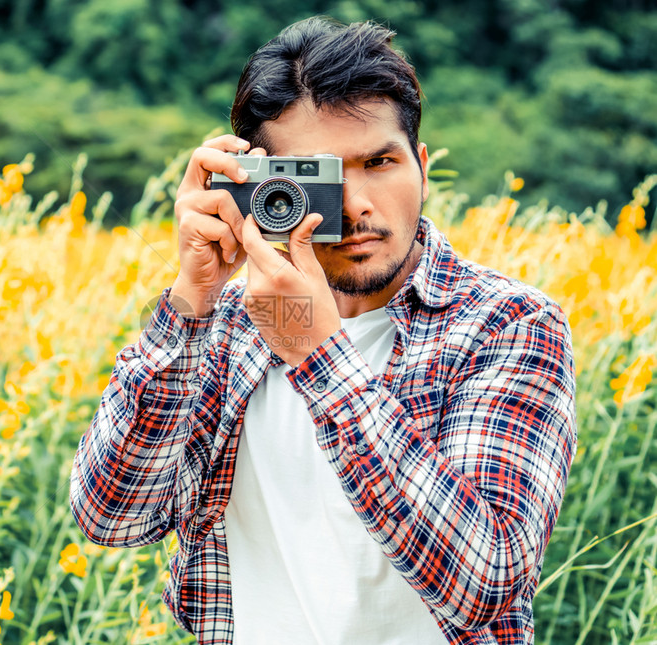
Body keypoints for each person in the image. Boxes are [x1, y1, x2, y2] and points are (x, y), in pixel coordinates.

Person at [70, 15, 577, 645]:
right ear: (260, 188)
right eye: (323, 177)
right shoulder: (225, 326)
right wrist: (193, 296)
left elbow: (487, 581)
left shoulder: (507, 324)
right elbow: (109, 518)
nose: (359, 203)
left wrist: (317, 352)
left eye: (380, 162)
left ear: (420, 166)